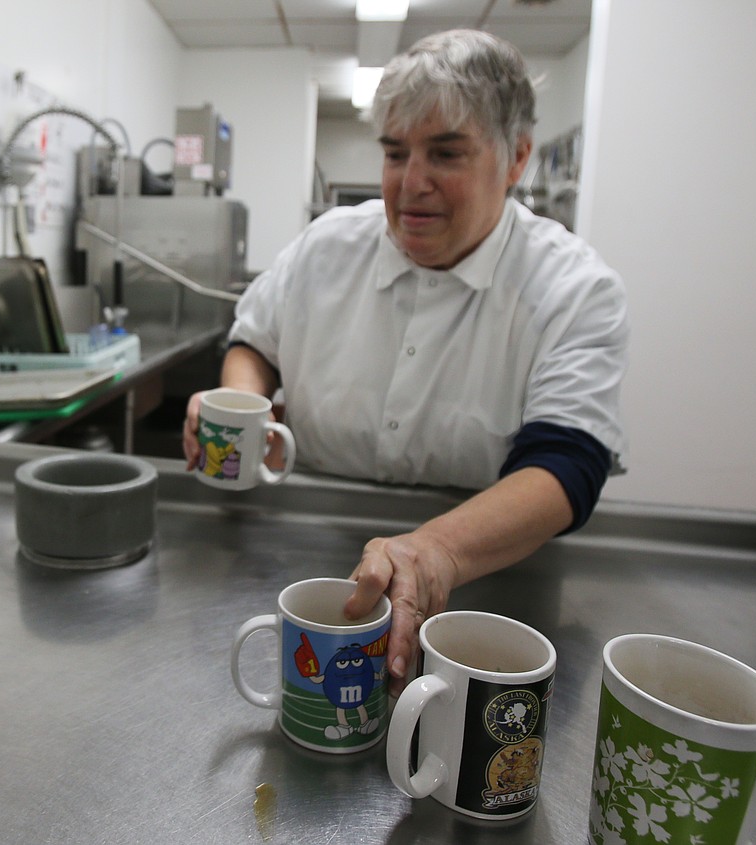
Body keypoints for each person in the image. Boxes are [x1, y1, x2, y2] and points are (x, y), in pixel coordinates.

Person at [184, 29, 628, 694]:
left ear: (516, 159)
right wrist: (243, 404)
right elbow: (255, 341)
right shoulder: (327, 248)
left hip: (487, 594)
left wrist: (438, 550)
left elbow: (568, 464)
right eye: (395, 154)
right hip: (294, 562)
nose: (410, 184)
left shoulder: (572, 288)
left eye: (446, 153)